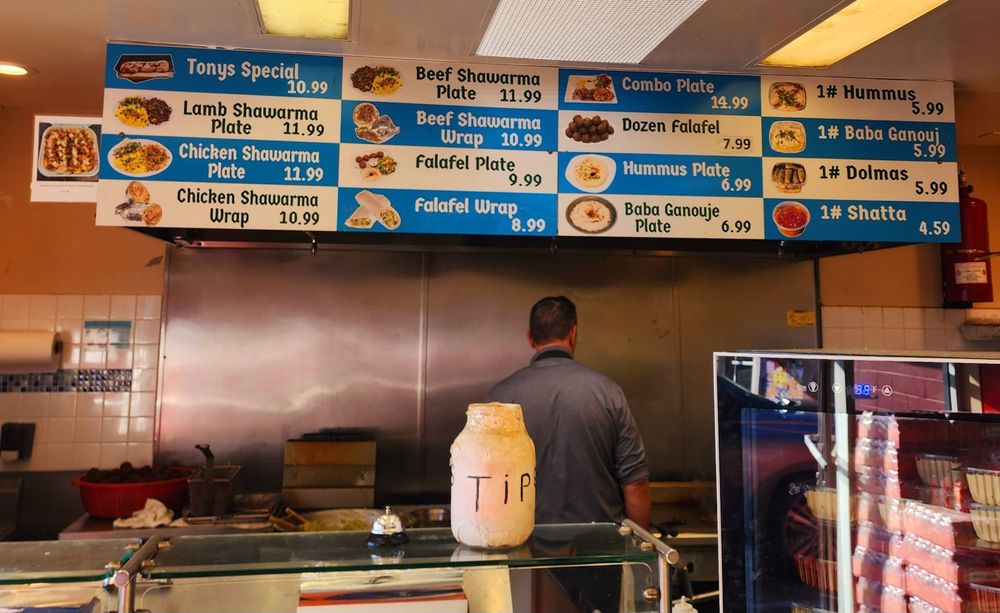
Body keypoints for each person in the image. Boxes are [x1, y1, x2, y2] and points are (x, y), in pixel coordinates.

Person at [488, 295, 651, 528]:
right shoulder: (608, 392)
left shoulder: (500, 397)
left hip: (524, 543)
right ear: (573, 334)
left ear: (530, 338)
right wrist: (639, 544)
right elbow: (635, 484)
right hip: (600, 545)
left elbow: (487, 483)